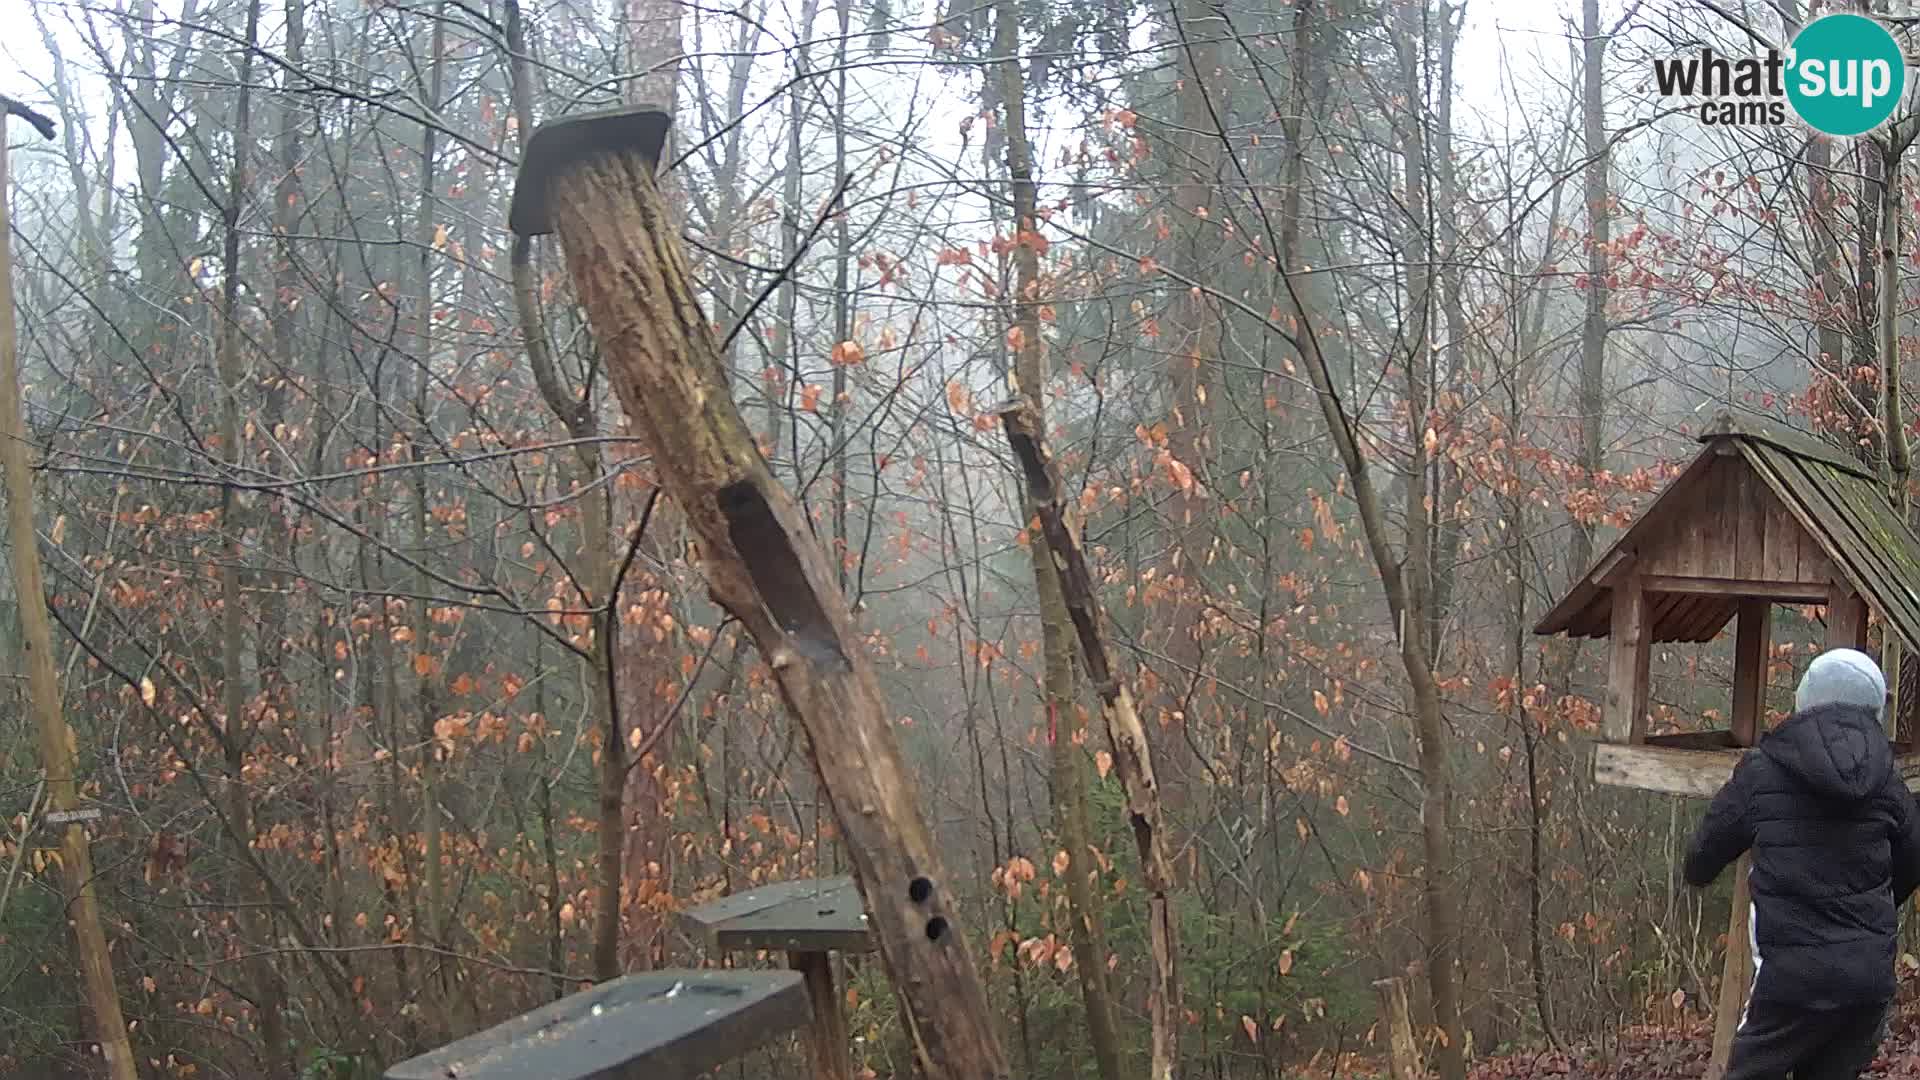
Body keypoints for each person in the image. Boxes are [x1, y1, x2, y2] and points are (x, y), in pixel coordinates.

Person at [1686, 646, 1920, 1079]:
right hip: (1865, 982)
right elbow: (1911, 863)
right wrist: (1869, 909)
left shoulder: (1763, 770)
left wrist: (1699, 871)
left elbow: (1702, 857)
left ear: (1806, 698)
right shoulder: (1888, 781)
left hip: (1789, 982)